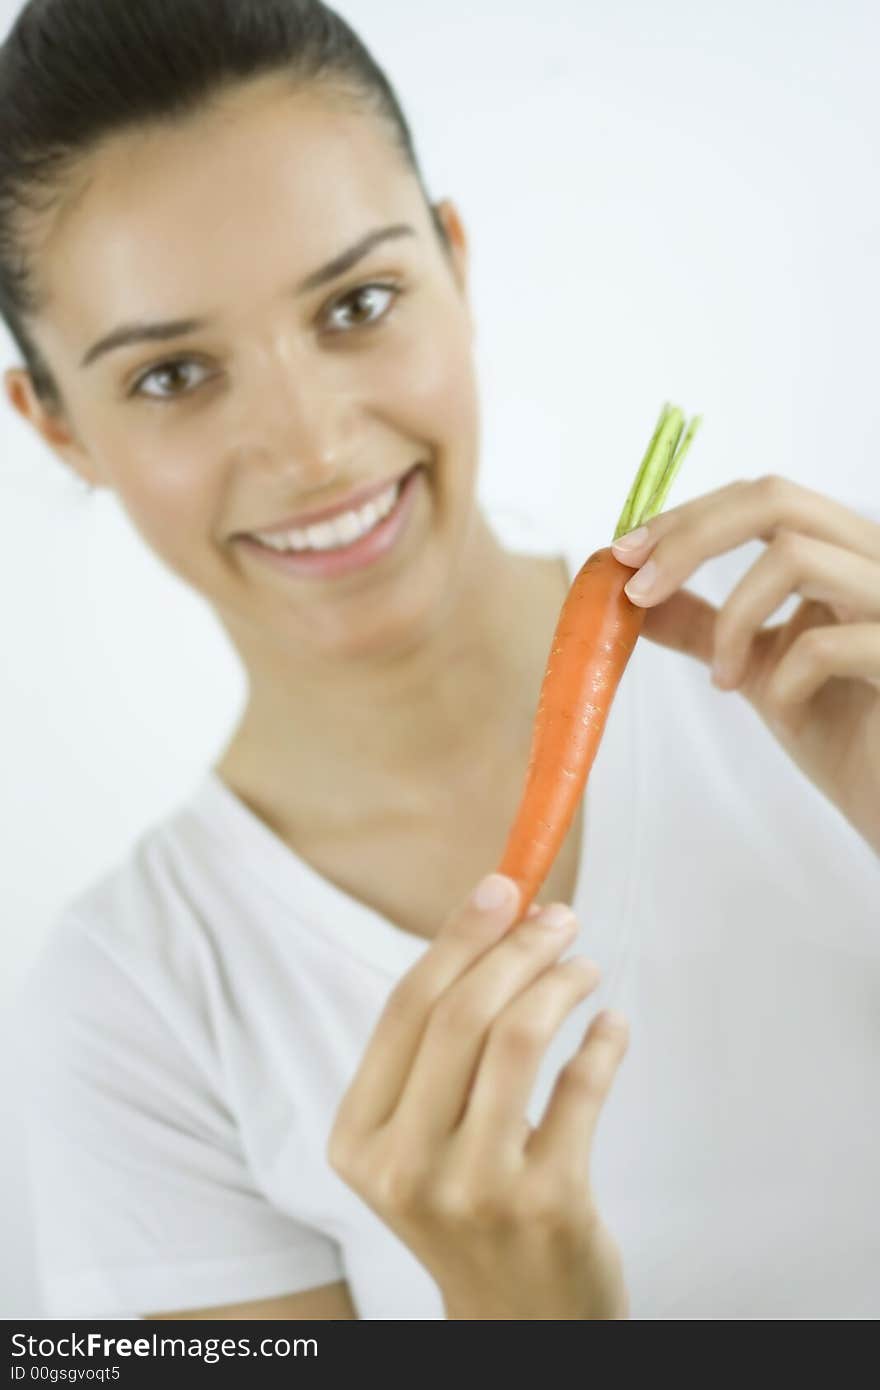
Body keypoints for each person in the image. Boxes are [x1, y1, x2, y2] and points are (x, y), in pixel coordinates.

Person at [4, 0, 878, 1322]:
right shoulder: (133, 1010)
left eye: (358, 302)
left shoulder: (829, 665)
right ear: (56, 425)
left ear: (455, 267)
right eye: (175, 375)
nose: (308, 445)